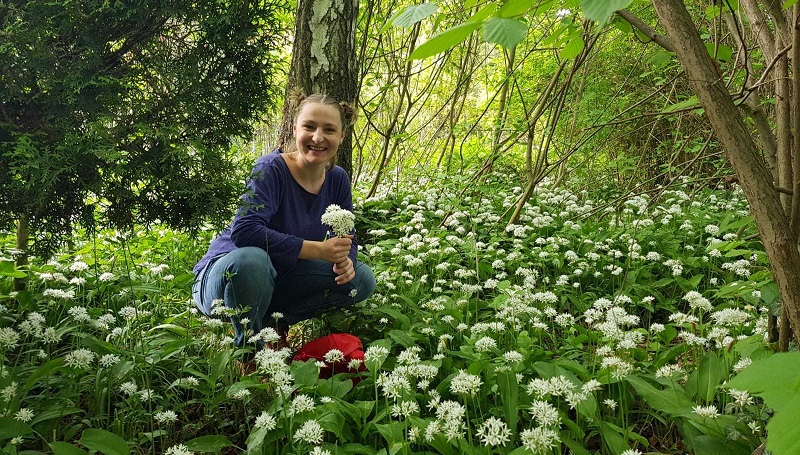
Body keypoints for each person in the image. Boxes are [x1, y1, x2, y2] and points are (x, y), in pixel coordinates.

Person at [192, 93, 376, 349]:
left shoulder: (337, 178)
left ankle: (273, 325)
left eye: (329, 130)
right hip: (227, 278)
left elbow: (347, 235)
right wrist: (317, 250)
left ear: (342, 137)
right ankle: (248, 353)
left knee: (362, 279)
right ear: (294, 129)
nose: (317, 137)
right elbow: (244, 232)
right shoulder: (270, 169)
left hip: (279, 279)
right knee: (254, 260)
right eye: (309, 127)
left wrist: (348, 261)